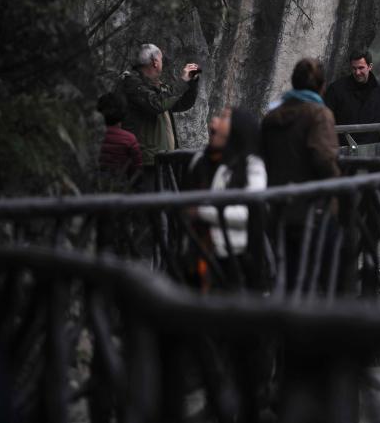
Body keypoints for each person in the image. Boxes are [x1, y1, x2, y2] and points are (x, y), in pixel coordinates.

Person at [262, 58, 341, 291]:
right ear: (322, 86)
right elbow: (324, 158)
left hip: (278, 206)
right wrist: (338, 189)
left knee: (286, 274)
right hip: (312, 209)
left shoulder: (271, 117)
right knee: (317, 278)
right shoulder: (319, 115)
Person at [185, 108, 267, 288]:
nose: (214, 120)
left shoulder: (251, 166)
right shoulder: (200, 161)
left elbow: (250, 212)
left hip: (232, 253)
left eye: (224, 117)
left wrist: (201, 212)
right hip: (198, 249)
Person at [120, 43, 200, 190]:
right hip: (144, 162)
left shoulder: (156, 86)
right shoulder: (132, 83)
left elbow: (182, 104)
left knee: (163, 207)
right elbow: (157, 105)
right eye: (161, 59)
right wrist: (182, 82)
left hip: (162, 160)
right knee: (147, 206)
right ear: (155, 62)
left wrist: (192, 85)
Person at [96, 92, 142, 188]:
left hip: (95, 190)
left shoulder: (92, 136)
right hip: (120, 190)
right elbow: (137, 171)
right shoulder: (129, 139)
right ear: (124, 112)